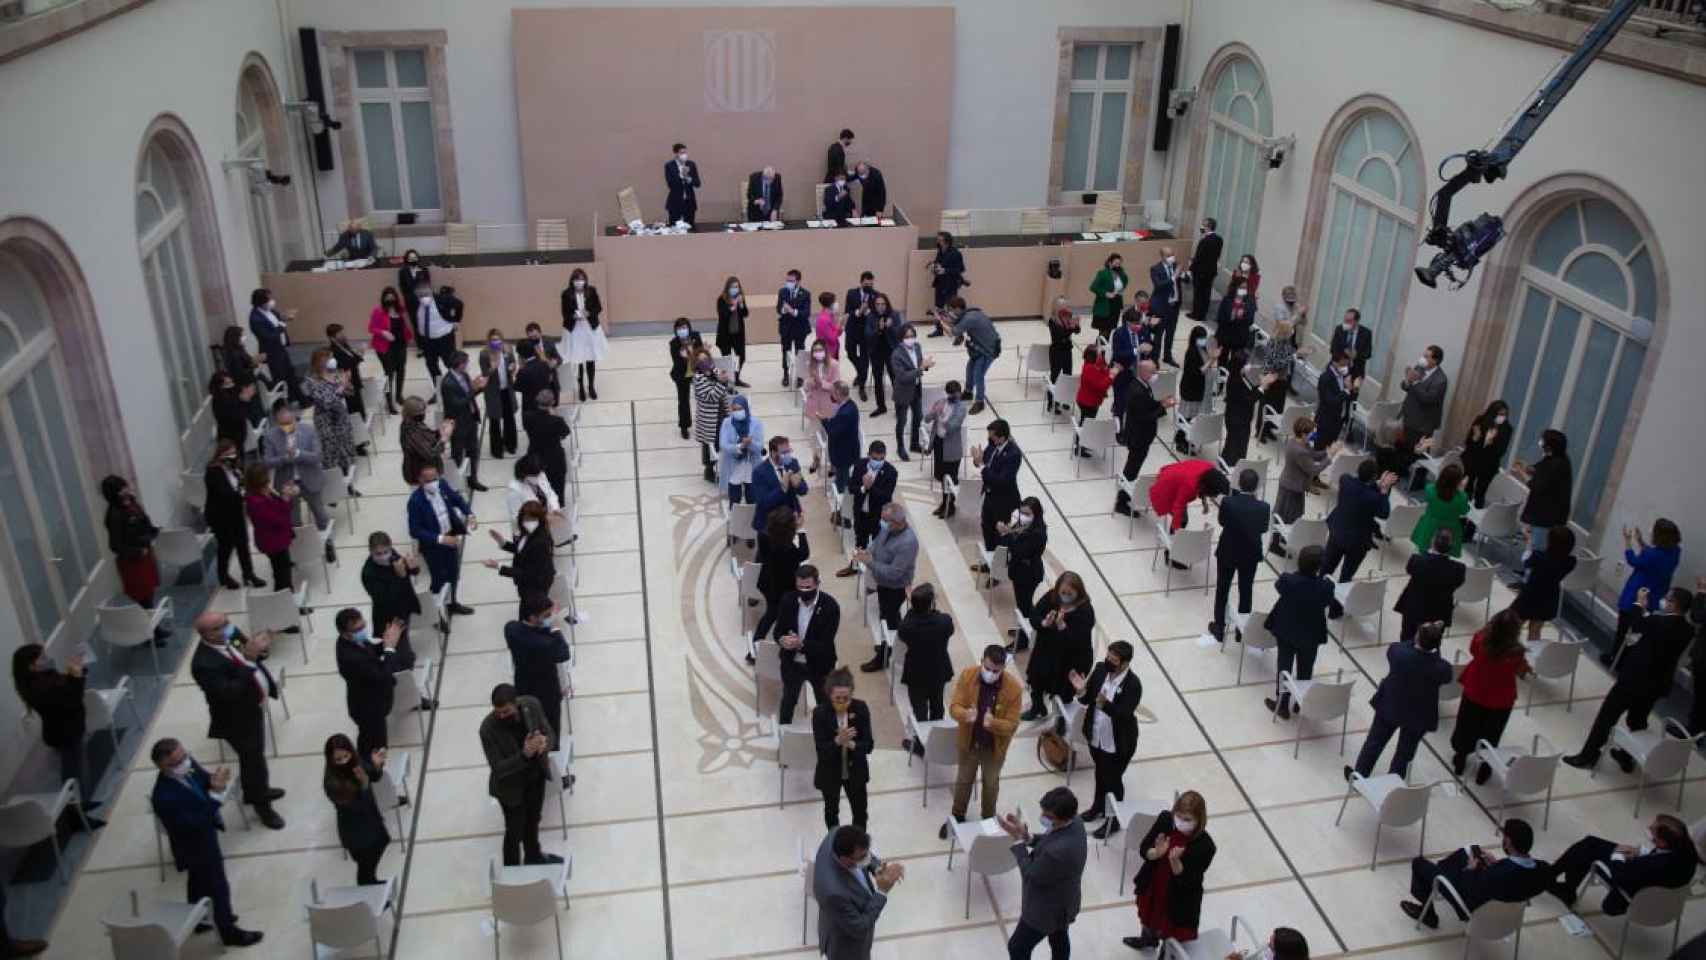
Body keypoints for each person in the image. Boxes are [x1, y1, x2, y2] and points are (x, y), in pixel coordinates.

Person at [149, 738, 264, 947]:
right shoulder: (163, 797)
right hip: (195, 845)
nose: (185, 763)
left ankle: (199, 918)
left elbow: (204, 779)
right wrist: (216, 795)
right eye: (176, 762)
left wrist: (215, 779)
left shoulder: (186, 765)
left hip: (204, 837)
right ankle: (228, 930)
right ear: (161, 766)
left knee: (197, 880)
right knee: (217, 886)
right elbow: (194, 823)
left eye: (184, 756)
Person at [1564, 588, 1695, 772]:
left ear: (1674, 604)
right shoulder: (1688, 630)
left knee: (1607, 715)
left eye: (1667, 599)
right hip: (1657, 684)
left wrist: (1639, 603)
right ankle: (1627, 756)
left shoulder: (1659, 621)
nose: (1664, 601)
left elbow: (1635, 623)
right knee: (1638, 720)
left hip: (1634, 678)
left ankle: (1588, 755)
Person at [188, 612, 284, 829]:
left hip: (252, 707)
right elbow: (229, 692)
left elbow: (252, 655)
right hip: (236, 719)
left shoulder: (231, 635)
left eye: (226, 622)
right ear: (206, 635)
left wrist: (262, 649)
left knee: (255, 758)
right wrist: (249, 660)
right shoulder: (203, 664)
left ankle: (257, 791)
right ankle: (262, 806)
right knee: (253, 761)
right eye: (219, 627)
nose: (227, 628)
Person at [1350, 621, 1453, 780]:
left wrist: (1418, 637)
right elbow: (1444, 673)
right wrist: (1434, 642)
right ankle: (1393, 785)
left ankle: (1359, 775)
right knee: (1405, 754)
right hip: (1418, 716)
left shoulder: (1400, 654)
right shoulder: (1441, 668)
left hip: (1390, 705)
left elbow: (1398, 647)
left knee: (1375, 742)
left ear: (1417, 637)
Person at [1401, 819, 1549, 928]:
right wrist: (1495, 864)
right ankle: (1440, 872)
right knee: (1470, 850)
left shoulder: (1498, 874)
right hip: (1505, 913)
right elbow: (1512, 879)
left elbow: (1470, 890)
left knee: (1419, 863)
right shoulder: (1542, 869)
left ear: (1509, 841)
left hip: (1471, 905)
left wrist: (1471, 870)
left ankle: (1429, 915)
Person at [941, 645, 1024, 839]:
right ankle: (957, 817)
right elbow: (954, 706)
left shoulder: (1013, 689)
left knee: (991, 785)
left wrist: (992, 723)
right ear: (982, 661)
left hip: (994, 748)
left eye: (996, 671)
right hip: (969, 742)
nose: (990, 674)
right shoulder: (968, 676)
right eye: (987, 668)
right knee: (963, 781)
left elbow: (1012, 725)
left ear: (1003, 668)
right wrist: (965, 715)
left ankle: (988, 820)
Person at [12, 645, 106, 816]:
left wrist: (76, 671)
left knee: (74, 769)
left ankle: (81, 804)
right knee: (75, 774)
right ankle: (77, 812)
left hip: (65, 729)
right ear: (31, 666)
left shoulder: (43, 677)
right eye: (42, 658)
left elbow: (64, 685)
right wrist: (76, 677)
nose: (47, 659)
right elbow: (71, 699)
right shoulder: (39, 688)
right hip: (66, 732)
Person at [997, 786, 1088, 959]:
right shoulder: (1076, 822)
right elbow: (1051, 839)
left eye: (1049, 817)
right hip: (1065, 903)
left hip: (1044, 911)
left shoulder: (1058, 853)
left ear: (1062, 818)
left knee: (1017, 947)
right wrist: (1027, 837)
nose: (1044, 818)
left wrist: (1018, 844)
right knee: (1059, 939)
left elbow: (1032, 874)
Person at [480, 684, 564, 866]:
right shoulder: (487, 729)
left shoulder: (531, 705)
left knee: (533, 820)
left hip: (535, 778)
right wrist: (524, 754)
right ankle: (512, 870)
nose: (502, 716)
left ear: (516, 703)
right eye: (498, 712)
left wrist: (544, 744)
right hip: (510, 789)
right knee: (514, 831)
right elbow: (499, 768)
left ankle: (533, 855)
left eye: (506, 711)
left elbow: (549, 733)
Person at [1546, 815, 1698, 915]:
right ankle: (1557, 878)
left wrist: (1618, 855)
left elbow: (1620, 875)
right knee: (1590, 843)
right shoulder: (1687, 853)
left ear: (1663, 843)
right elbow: (1658, 861)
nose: (1649, 831)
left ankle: (1557, 881)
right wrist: (1641, 852)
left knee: (1587, 851)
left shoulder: (1657, 864)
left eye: (1653, 833)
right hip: (1657, 889)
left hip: (1630, 890)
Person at [1125, 791, 1217, 951]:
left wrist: (1175, 862)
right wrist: (1156, 853)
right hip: (1154, 884)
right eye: (1178, 815)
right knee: (1149, 918)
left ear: (1199, 820)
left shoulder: (1205, 846)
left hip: (1178, 900)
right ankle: (1148, 940)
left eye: (1187, 819)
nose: (1181, 822)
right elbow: (1144, 848)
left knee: (1171, 939)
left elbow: (1189, 882)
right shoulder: (1165, 820)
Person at [1069, 641, 1141, 837]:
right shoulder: (1101, 670)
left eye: (1114, 660)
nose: (1108, 662)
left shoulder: (1133, 685)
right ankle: (1097, 807)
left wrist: (1105, 705)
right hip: (1096, 736)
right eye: (1108, 657)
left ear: (1125, 663)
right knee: (1100, 774)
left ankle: (1114, 819)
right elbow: (1086, 699)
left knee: (1113, 781)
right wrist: (1081, 690)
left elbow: (1124, 714)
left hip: (1118, 742)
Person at [1449, 608, 1531, 781]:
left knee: (1466, 727)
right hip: (1501, 699)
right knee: (1492, 734)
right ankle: (1485, 768)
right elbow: (1520, 670)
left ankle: (1461, 759)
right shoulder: (1516, 652)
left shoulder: (1481, 642)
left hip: (1475, 691)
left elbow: (1472, 649)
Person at [1265, 546, 1336, 720]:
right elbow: (1327, 601)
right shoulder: (1325, 587)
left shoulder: (1288, 581)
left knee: (1284, 666)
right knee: (1306, 667)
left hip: (1287, 630)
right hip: (1311, 633)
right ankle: (1301, 701)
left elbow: (1279, 586)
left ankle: (1282, 703)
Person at [813, 825, 903, 960]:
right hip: (846, 946)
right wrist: (882, 891)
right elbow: (860, 928)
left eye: (867, 853)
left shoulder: (837, 834)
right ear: (845, 860)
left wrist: (878, 868)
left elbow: (864, 854)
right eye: (862, 857)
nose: (868, 857)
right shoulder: (833, 893)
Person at [503, 593, 573, 756]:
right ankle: (552, 760)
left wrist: (545, 625)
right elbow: (563, 653)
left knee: (529, 724)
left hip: (523, 686)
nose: (550, 617)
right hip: (547, 692)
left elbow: (525, 629)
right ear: (533, 617)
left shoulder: (511, 629)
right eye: (546, 615)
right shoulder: (544, 644)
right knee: (551, 728)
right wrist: (554, 628)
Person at [770, 566, 841, 725]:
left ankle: (826, 738)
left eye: (808, 587)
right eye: (800, 587)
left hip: (820, 666)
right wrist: (782, 640)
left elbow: (825, 644)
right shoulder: (788, 600)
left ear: (817, 584)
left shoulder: (830, 607)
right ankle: (784, 733)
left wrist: (801, 644)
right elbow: (778, 631)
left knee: (824, 704)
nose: (803, 591)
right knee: (788, 700)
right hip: (792, 663)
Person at [1608, 518, 1683, 665]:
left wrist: (1628, 541)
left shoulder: (1653, 555)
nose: (1651, 531)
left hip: (1637, 594)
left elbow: (1634, 560)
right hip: (1655, 596)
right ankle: (1625, 660)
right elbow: (1652, 556)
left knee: (1623, 631)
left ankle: (1615, 660)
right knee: (1638, 633)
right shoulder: (1675, 552)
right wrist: (1641, 541)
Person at [101, 475, 168, 639]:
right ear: (115, 493)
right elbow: (115, 545)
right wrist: (137, 551)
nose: (127, 489)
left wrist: (153, 531)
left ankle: (154, 628)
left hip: (145, 554)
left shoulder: (132, 502)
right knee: (142, 598)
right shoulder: (114, 514)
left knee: (150, 593)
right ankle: (149, 633)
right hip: (133, 561)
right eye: (122, 488)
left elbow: (144, 523)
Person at [853, 503, 917, 672]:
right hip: (883, 583)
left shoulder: (908, 543)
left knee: (888, 621)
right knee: (889, 617)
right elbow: (877, 544)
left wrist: (870, 563)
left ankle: (884, 655)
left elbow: (894, 573)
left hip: (895, 588)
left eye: (887, 521)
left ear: (898, 522)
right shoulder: (889, 529)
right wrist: (866, 552)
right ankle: (894, 645)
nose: (884, 525)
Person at [408, 460, 477, 616]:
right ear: (420, 480)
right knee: (438, 578)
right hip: (433, 545)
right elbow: (415, 530)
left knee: (453, 572)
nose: (433, 483)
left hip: (450, 536)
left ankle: (452, 603)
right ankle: (435, 613)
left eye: (435, 478)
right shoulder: (415, 501)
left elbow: (457, 499)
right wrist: (440, 539)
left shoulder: (442, 485)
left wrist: (470, 514)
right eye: (428, 480)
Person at [1209, 469, 1270, 643]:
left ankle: (1219, 627)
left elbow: (1222, 522)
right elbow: (1264, 528)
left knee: (1222, 588)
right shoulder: (1264, 507)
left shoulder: (1228, 502)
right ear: (1257, 486)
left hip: (1228, 550)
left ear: (1239, 483)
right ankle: (1241, 630)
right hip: (1250, 554)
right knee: (1246, 590)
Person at [322, 733, 391, 886]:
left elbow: (373, 774)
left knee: (383, 841)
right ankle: (368, 888)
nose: (344, 761)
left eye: (346, 756)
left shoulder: (356, 762)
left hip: (371, 821)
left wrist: (377, 764)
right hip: (357, 834)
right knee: (365, 865)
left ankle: (371, 881)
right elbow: (356, 807)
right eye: (338, 759)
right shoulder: (333, 784)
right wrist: (365, 785)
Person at [1025, 572, 1096, 720]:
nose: (1065, 596)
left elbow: (1079, 642)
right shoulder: (1052, 597)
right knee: (1036, 680)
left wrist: (1063, 627)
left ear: (1078, 592)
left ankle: (1061, 720)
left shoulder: (1085, 612)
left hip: (1070, 659)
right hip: (1046, 650)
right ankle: (1037, 707)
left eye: (1070, 593)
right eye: (1063, 592)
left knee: (1063, 692)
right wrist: (1044, 623)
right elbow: (1034, 615)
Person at [1322, 460, 1397, 597]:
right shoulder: (1374, 498)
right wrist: (1384, 490)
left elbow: (1359, 486)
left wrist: (1376, 484)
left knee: (1326, 567)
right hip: (1358, 542)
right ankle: (1336, 607)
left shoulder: (1345, 481)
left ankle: (1318, 593)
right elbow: (1384, 513)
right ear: (1374, 477)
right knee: (1346, 577)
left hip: (1338, 532)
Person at [334, 608, 402, 758]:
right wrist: (390, 648)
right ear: (345, 633)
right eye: (358, 629)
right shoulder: (350, 657)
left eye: (363, 625)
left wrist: (385, 641)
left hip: (373, 702)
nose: (363, 630)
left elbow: (370, 652)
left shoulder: (354, 642)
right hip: (368, 709)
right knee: (375, 746)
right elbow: (382, 675)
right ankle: (371, 772)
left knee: (371, 741)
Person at [260, 405, 331, 545]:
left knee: (320, 513)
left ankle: (328, 543)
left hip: (310, 479)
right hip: (287, 484)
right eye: (283, 424)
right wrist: (285, 458)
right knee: (293, 520)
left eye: (289, 422)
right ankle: (301, 547)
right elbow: (267, 462)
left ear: (294, 419)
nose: (286, 426)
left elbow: (318, 456)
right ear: (276, 422)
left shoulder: (308, 430)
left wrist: (298, 454)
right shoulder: (270, 436)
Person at [812, 668, 874, 830]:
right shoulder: (820, 713)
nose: (842, 701)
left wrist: (852, 744)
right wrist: (838, 741)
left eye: (846, 698)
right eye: (837, 698)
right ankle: (834, 846)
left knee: (860, 812)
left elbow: (869, 745)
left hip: (856, 771)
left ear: (852, 693)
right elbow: (821, 750)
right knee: (831, 811)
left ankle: (858, 847)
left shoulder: (860, 709)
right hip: (830, 772)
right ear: (829, 695)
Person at [1113, 361, 1176, 516]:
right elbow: (1145, 417)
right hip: (1138, 436)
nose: (1156, 375)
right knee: (1132, 468)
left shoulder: (1142, 386)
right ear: (1143, 373)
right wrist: (1164, 407)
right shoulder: (1137, 391)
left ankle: (1124, 496)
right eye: (1153, 372)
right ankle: (1122, 501)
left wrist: (1159, 403)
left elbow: (1148, 405)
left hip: (1142, 435)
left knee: (1133, 466)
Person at [898, 584, 955, 755]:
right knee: (938, 707)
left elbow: (904, 627)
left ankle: (922, 746)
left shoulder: (907, 626)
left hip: (916, 674)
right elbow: (946, 624)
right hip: (938, 671)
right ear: (931, 604)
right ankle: (937, 743)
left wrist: (912, 607)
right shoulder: (944, 622)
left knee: (920, 711)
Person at [204, 441, 264, 590]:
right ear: (220, 455)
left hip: (236, 512)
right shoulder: (213, 471)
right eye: (227, 454)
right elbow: (224, 493)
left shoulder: (234, 468)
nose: (231, 457)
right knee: (226, 546)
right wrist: (241, 493)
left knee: (243, 543)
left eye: (233, 453)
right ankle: (223, 576)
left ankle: (249, 574)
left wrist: (243, 485)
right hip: (220, 516)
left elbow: (242, 484)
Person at [361, 532, 425, 673]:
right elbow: (384, 599)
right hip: (389, 618)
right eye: (378, 553)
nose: (384, 556)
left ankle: (406, 658)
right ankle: (406, 671)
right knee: (398, 648)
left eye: (386, 551)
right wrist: (400, 575)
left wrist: (413, 567)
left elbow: (411, 571)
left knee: (404, 639)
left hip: (404, 608)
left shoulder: (393, 555)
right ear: (371, 551)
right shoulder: (369, 573)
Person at [1149, 460, 1230, 569]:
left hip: (1177, 477)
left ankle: (1175, 548)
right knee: (1182, 520)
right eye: (1215, 493)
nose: (1215, 497)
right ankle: (1171, 555)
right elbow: (1178, 506)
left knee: (1182, 519)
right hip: (1167, 487)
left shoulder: (1209, 470)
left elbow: (1203, 484)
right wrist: (1177, 532)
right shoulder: (1190, 486)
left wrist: (1204, 502)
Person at [1271, 420, 1335, 553]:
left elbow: (1313, 455)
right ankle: (1276, 544)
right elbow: (1313, 470)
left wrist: (1326, 452)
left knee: (1288, 515)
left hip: (1291, 484)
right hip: (1292, 487)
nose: (1314, 435)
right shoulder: (1300, 451)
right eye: (1312, 432)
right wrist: (1329, 459)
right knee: (1286, 516)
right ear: (1304, 434)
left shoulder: (1297, 442)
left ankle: (1281, 540)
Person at [1395, 530, 1468, 645]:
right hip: (1438, 613)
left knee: (1406, 639)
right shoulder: (1458, 569)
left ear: (1432, 542)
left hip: (1413, 609)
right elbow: (1458, 583)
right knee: (1432, 643)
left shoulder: (1417, 560)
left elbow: (1409, 570)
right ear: (1451, 547)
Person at [753, 506, 811, 649]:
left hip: (766, 582)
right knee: (774, 614)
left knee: (771, 613)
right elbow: (804, 554)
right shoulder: (788, 550)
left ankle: (755, 646)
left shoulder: (763, 536)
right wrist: (801, 530)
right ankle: (767, 644)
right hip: (783, 589)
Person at [484, 501, 556, 613]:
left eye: (532, 519)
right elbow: (522, 550)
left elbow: (527, 574)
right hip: (529, 584)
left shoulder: (540, 542)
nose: (528, 522)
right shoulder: (529, 533)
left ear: (539, 519)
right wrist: (502, 542)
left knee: (528, 616)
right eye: (526, 519)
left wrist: (499, 566)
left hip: (535, 587)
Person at [997, 497, 1048, 645]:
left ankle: (1024, 638)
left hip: (1029, 575)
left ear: (1036, 515)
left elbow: (1020, 551)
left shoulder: (1038, 534)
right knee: (1022, 604)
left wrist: (1007, 533)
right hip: (1019, 571)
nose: (1023, 516)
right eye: (1022, 512)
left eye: (1027, 513)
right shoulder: (1024, 525)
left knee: (1025, 606)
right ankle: (1023, 628)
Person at [937, 296, 1000, 413]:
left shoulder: (969, 318)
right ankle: (968, 392)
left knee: (978, 375)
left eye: (951, 310)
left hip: (987, 350)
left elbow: (953, 332)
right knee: (969, 369)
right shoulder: (969, 314)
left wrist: (942, 322)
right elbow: (960, 327)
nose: (950, 313)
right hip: (978, 348)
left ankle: (979, 402)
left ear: (957, 309)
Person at [1514, 526, 1576, 642]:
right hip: (1548, 599)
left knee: (1514, 626)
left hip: (1530, 596)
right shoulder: (1570, 562)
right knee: (1535, 631)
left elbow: (1526, 563)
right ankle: (1532, 655)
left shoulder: (1538, 557)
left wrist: (1530, 543)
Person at [1512, 428, 1571, 547]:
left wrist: (1521, 472)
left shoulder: (1557, 464)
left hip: (1546, 517)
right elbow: (1540, 469)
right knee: (1533, 544)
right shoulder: (1556, 459)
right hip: (1545, 514)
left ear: (1549, 445)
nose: (1540, 442)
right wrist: (1527, 467)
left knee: (1537, 548)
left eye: (1542, 440)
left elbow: (1537, 485)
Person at [439, 350, 488, 493]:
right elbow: (457, 404)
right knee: (457, 454)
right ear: (459, 365)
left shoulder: (464, 375)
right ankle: (455, 483)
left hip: (471, 419)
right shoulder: (447, 383)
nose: (467, 365)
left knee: (473, 451)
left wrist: (480, 389)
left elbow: (469, 396)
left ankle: (472, 479)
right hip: (458, 423)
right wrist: (474, 390)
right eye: (466, 363)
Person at [243, 463, 295, 593]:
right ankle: (286, 601)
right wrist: (286, 498)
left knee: (281, 572)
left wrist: (283, 496)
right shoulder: (256, 502)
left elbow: (281, 510)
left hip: (277, 539)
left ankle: (286, 598)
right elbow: (279, 519)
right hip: (273, 542)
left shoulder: (265, 493)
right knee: (282, 575)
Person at [974, 419, 1024, 554]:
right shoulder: (992, 445)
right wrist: (977, 459)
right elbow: (982, 460)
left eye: (992, 437)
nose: (989, 440)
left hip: (1004, 502)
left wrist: (982, 466)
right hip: (990, 497)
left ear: (1002, 437)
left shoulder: (1013, 454)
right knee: (987, 528)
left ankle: (997, 568)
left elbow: (1001, 480)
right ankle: (989, 558)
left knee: (1000, 536)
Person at [842, 440, 898, 559]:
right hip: (860, 513)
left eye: (881, 459)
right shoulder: (859, 465)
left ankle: (875, 570)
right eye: (875, 458)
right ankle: (855, 566)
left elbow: (886, 497)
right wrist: (863, 488)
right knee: (860, 543)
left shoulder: (891, 472)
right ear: (869, 455)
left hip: (878, 516)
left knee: (878, 546)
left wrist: (870, 487)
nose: (878, 462)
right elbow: (851, 487)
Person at [750, 435, 809, 540]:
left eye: (788, 451)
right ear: (773, 453)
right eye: (784, 453)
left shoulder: (792, 463)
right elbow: (763, 503)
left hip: (792, 519)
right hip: (769, 524)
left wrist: (798, 485)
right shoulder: (759, 472)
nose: (787, 455)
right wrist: (782, 488)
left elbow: (804, 490)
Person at [1410, 463, 1471, 558]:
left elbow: (1428, 499)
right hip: (1450, 530)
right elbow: (1465, 511)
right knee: (1444, 556)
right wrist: (1462, 490)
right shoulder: (1462, 497)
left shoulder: (1430, 489)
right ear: (1458, 482)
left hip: (1429, 525)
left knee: (1422, 553)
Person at [523, 388, 572, 502]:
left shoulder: (528, 417)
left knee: (538, 487)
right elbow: (566, 432)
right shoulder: (557, 421)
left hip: (535, 457)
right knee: (557, 487)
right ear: (552, 402)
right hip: (554, 459)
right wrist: (554, 414)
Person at [1257, 316, 1301, 442]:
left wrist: (1295, 353)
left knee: (1278, 405)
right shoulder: (1274, 342)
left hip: (1282, 377)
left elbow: (1290, 351)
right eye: (1290, 330)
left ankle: (1270, 428)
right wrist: (1292, 357)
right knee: (1266, 404)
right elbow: (1276, 363)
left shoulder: (1287, 342)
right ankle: (1261, 431)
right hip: (1271, 377)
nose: (1292, 332)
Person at [1461, 400, 1511, 508]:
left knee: (1480, 493)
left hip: (1489, 465)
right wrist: (1476, 438)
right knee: (1467, 488)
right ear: (1492, 412)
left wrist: (1491, 444)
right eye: (1500, 414)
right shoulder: (1480, 421)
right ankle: (1461, 514)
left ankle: (1472, 523)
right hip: (1472, 460)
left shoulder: (1507, 428)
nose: (1502, 417)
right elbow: (1468, 442)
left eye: (1505, 415)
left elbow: (1501, 451)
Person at [248, 288, 295, 402]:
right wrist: (282, 324)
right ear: (261, 302)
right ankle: (281, 403)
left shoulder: (270, 310)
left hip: (281, 347)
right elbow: (269, 335)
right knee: (279, 377)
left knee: (290, 373)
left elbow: (278, 318)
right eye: (268, 299)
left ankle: (297, 398)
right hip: (272, 351)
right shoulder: (255, 318)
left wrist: (285, 317)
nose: (271, 301)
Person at [479, 329, 519, 460]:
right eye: (493, 340)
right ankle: (496, 449)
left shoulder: (507, 350)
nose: (496, 342)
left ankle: (511, 445)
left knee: (509, 418)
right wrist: (493, 367)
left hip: (507, 390)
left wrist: (513, 367)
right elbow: (485, 375)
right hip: (493, 392)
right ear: (489, 341)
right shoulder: (484, 354)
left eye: (498, 339)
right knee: (495, 420)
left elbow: (513, 363)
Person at [890, 322, 929, 456]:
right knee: (902, 421)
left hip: (916, 389)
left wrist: (926, 364)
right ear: (901, 338)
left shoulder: (917, 347)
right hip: (903, 392)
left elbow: (919, 363)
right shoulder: (896, 355)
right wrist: (920, 369)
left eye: (912, 336)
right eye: (907, 336)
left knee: (918, 417)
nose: (910, 338)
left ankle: (914, 444)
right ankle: (900, 447)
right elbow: (902, 377)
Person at [718, 394, 765, 506]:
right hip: (733, 466)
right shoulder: (727, 423)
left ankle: (752, 520)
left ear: (746, 408)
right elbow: (723, 445)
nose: (737, 412)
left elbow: (759, 447)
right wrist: (739, 447)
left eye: (740, 409)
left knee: (752, 498)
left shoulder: (756, 423)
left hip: (751, 465)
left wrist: (750, 443)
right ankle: (734, 520)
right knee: (734, 499)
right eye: (734, 409)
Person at [1397, 345, 1449, 445]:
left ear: (1435, 361)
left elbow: (1428, 398)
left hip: (1421, 426)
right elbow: (1405, 387)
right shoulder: (1419, 368)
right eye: (1423, 355)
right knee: (1399, 448)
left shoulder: (1441, 380)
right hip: (1407, 418)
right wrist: (1407, 381)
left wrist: (1415, 382)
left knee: (1412, 454)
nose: (1422, 359)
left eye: (1426, 357)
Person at [692, 354, 731, 483]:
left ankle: (724, 468)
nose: (705, 362)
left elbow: (724, 384)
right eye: (701, 360)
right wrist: (721, 382)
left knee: (723, 441)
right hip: (708, 418)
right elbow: (711, 396)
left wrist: (724, 378)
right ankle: (709, 469)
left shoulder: (714, 371)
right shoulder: (698, 379)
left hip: (721, 413)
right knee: (709, 444)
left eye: (706, 358)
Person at [398, 395, 453, 486]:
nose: (424, 414)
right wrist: (444, 439)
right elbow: (430, 453)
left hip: (429, 470)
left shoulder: (415, 423)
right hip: (422, 476)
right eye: (421, 412)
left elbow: (427, 436)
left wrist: (440, 431)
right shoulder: (410, 430)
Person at [413, 283, 458, 392]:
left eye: (426, 293)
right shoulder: (416, 304)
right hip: (427, 341)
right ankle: (439, 389)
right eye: (420, 295)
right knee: (431, 365)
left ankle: (457, 386)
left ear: (431, 291)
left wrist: (455, 321)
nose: (423, 297)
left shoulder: (441, 300)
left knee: (450, 363)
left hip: (445, 339)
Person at [1175, 325, 1215, 444]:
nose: (1204, 340)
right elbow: (1199, 371)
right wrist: (1212, 360)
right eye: (1201, 338)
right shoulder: (1192, 352)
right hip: (1190, 388)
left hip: (1199, 388)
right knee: (1186, 414)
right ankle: (1180, 438)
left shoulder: (1203, 348)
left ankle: (1185, 436)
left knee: (1193, 414)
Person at [842, 271, 880, 397]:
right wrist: (859, 311)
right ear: (861, 282)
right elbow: (847, 311)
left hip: (866, 333)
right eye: (866, 284)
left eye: (871, 284)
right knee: (850, 353)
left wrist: (868, 311)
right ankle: (860, 372)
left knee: (864, 359)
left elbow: (877, 314)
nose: (869, 286)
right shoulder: (851, 293)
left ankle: (862, 386)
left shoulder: (876, 295)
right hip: (852, 330)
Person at [864, 293, 902, 416]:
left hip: (891, 352)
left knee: (895, 379)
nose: (880, 307)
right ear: (874, 305)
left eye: (883, 304)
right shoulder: (870, 316)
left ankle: (899, 407)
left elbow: (900, 335)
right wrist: (879, 329)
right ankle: (881, 406)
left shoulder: (894, 315)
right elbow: (868, 335)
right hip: (876, 352)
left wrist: (890, 328)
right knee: (878, 380)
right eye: (878, 304)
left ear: (887, 304)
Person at [1220, 349, 1258, 465]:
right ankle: (1227, 465)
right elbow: (1250, 399)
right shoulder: (1235, 381)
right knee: (1233, 446)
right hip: (1236, 419)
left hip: (1243, 418)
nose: (1249, 366)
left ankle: (1234, 464)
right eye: (1246, 364)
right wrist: (1262, 388)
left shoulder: (1245, 376)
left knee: (1240, 446)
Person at [713, 275, 752, 387]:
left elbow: (745, 314)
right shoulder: (721, 299)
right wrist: (733, 306)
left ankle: (736, 377)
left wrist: (741, 304)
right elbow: (723, 315)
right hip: (725, 335)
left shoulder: (741, 298)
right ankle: (727, 381)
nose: (735, 289)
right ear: (727, 288)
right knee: (727, 360)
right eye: (732, 287)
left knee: (741, 357)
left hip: (737, 334)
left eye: (737, 287)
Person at [1074, 345, 1113, 458]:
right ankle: (1079, 446)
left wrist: (1107, 369)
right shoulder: (1090, 369)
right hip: (1087, 402)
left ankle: (1083, 443)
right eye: (1099, 354)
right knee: (1085, 423)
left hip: (1090, 401)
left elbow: (1103, 369)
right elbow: (1101, 386)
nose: (1101, 356)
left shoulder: (1093, 366)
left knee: (1086, 422)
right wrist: (1112, 376)